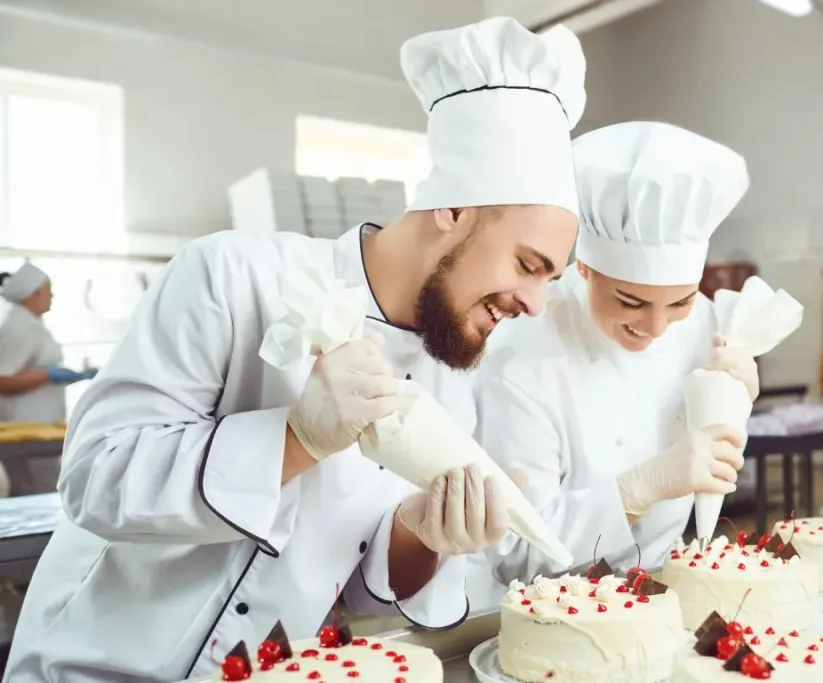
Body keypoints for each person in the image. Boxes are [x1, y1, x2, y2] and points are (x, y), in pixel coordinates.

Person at [3, 17, 586, 683]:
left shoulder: (451, 384)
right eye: (528, 263)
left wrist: (424, 532)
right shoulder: (231, 277)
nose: (535, 304)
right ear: (452, 208)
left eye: (551, 280)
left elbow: (364, 586)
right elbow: (94, 479)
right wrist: (297, 437)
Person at [468, 121, 758, 608]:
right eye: (630, 301)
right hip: (551, 606)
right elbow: (517, 553)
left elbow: (714, 452)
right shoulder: (522, 357)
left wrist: (734, 402)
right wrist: (636, 490)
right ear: (584, 267)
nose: (657, 326)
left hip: (665, 590)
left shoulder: (702, 322)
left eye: (679, 302)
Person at [0, 263, 96, 496]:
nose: (52, 296)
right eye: (48, 290)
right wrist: (49, 375)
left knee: (44, 485)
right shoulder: (17, 327)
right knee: (34, 489)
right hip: (24, 425)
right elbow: (2, 381)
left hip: (44, 422)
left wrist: (71, 376)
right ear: (33, 294)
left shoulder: (32, 324)